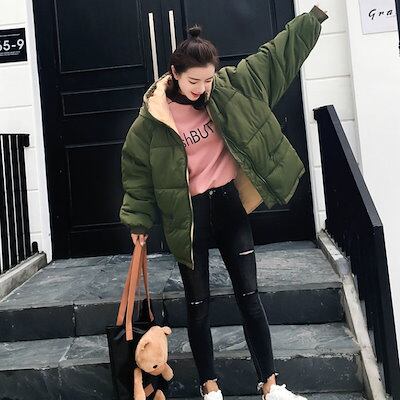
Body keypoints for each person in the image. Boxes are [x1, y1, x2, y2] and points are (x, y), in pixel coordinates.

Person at [123, 4, 328, 400]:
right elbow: (136, 172)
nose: (202, 88)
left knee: (250, 296)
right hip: (189, 217)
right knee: (198, 305)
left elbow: (275, 57)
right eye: (194, 81)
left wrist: (312, 18)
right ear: (174, 74)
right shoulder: (153, 120)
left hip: (229, 206)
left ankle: (270, 385)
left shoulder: (230, 89)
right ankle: (210, 388)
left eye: (209, 79)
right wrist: (138, 222)